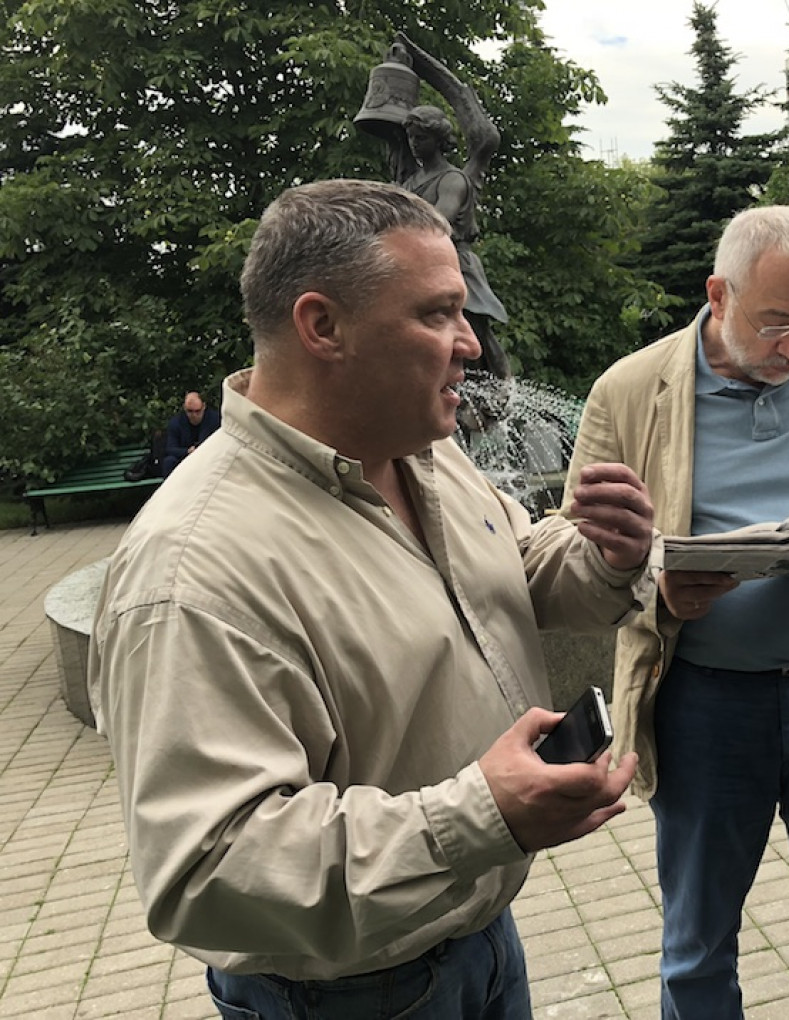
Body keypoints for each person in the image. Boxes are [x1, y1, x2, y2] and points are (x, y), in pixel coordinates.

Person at [88, 178, 657, 1020]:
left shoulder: (420, 451)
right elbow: (206, 871)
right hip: (346, 995)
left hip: (480, 940)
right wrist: (477, 817)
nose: (470, 342)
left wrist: (607, 557)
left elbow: (516, 562)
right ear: (324, 326)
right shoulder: (192, 570)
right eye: (437, 313)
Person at [566, 205, 789, 1019]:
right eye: (774, 324)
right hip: (704, 701)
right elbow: (575, 545)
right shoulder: (629, 391)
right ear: (717, 294)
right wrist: (651, 580)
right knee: (699, 937)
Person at [390, 32, 513, 437]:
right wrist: (398, 69)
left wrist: (422, 63)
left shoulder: (454, 178)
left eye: (420, 136)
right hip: (415, 265)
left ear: (438, 139)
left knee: (475, 326)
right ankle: (441, 390)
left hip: (453, 261)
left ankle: (501, 391)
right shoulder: (409, 179)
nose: (412, 142)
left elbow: (435, 222)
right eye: (410, 136)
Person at [160, 390, 221, 476]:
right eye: (190, 411)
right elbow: (170, 448)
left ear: (204, 406)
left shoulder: (215, 419)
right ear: (184, 408)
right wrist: (188, 451)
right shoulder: (176, 422)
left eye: (197, 411)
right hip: (185, 460)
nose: (194, 415)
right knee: (169, 461)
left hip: (208, 458)